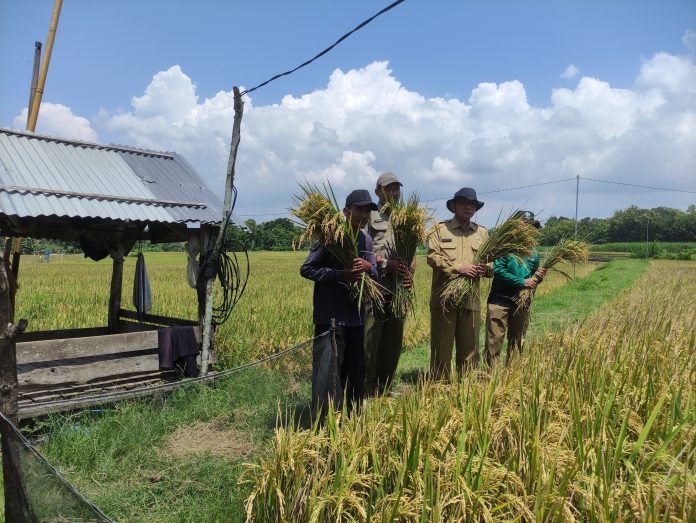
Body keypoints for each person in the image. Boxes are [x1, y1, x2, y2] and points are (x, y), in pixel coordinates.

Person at [300, 189, 378, 422]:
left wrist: (368, 267)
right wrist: (340, 275)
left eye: (367, 211)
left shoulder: (366, 240)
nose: (363, 215)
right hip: (331, 317)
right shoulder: (331, 237)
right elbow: (307, 269)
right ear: (346, 211)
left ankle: (353, 418)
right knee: (328, 371)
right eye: (359, 210)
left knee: (355, 370)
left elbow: (373, 273)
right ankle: (324, 423)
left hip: (356, 317)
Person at [427, 187, 491, 381]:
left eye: (472, 204)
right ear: (454, 206)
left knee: (470, 349)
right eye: (463, 203)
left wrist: (486, 268)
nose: (468, 207)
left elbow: (491, 261)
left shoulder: (482, 233)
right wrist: (458, 268)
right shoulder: (439, 229)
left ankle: (468, 390)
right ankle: (439, 388)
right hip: (444, 299)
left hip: (470, 300)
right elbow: (432, 257)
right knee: (441, 348)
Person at [364, 172, 413, 395]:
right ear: (377, 192)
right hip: (376, 286)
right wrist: (384, 264)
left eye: (396, 189)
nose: (393, 193)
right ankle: (365, 388)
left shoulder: (406, 217)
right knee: (371, 337)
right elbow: (362, 249)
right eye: (388, 188)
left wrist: (409, 272)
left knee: (393, 340)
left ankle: (384, 387)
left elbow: (412, 252)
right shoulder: (369, 215)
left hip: (398, 288)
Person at [484, 211, 546, 366]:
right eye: (523, 226)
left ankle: (512, 375)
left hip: (522, 302)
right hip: (500, 301)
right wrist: (521, 282)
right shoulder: (505, 248)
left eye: (530, 227)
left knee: (517, 341)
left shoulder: (534, 253)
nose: (527, 229)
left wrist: (538, 278)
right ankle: (488, 376)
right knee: (494, 342)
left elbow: (531, 278)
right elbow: (498, 270)